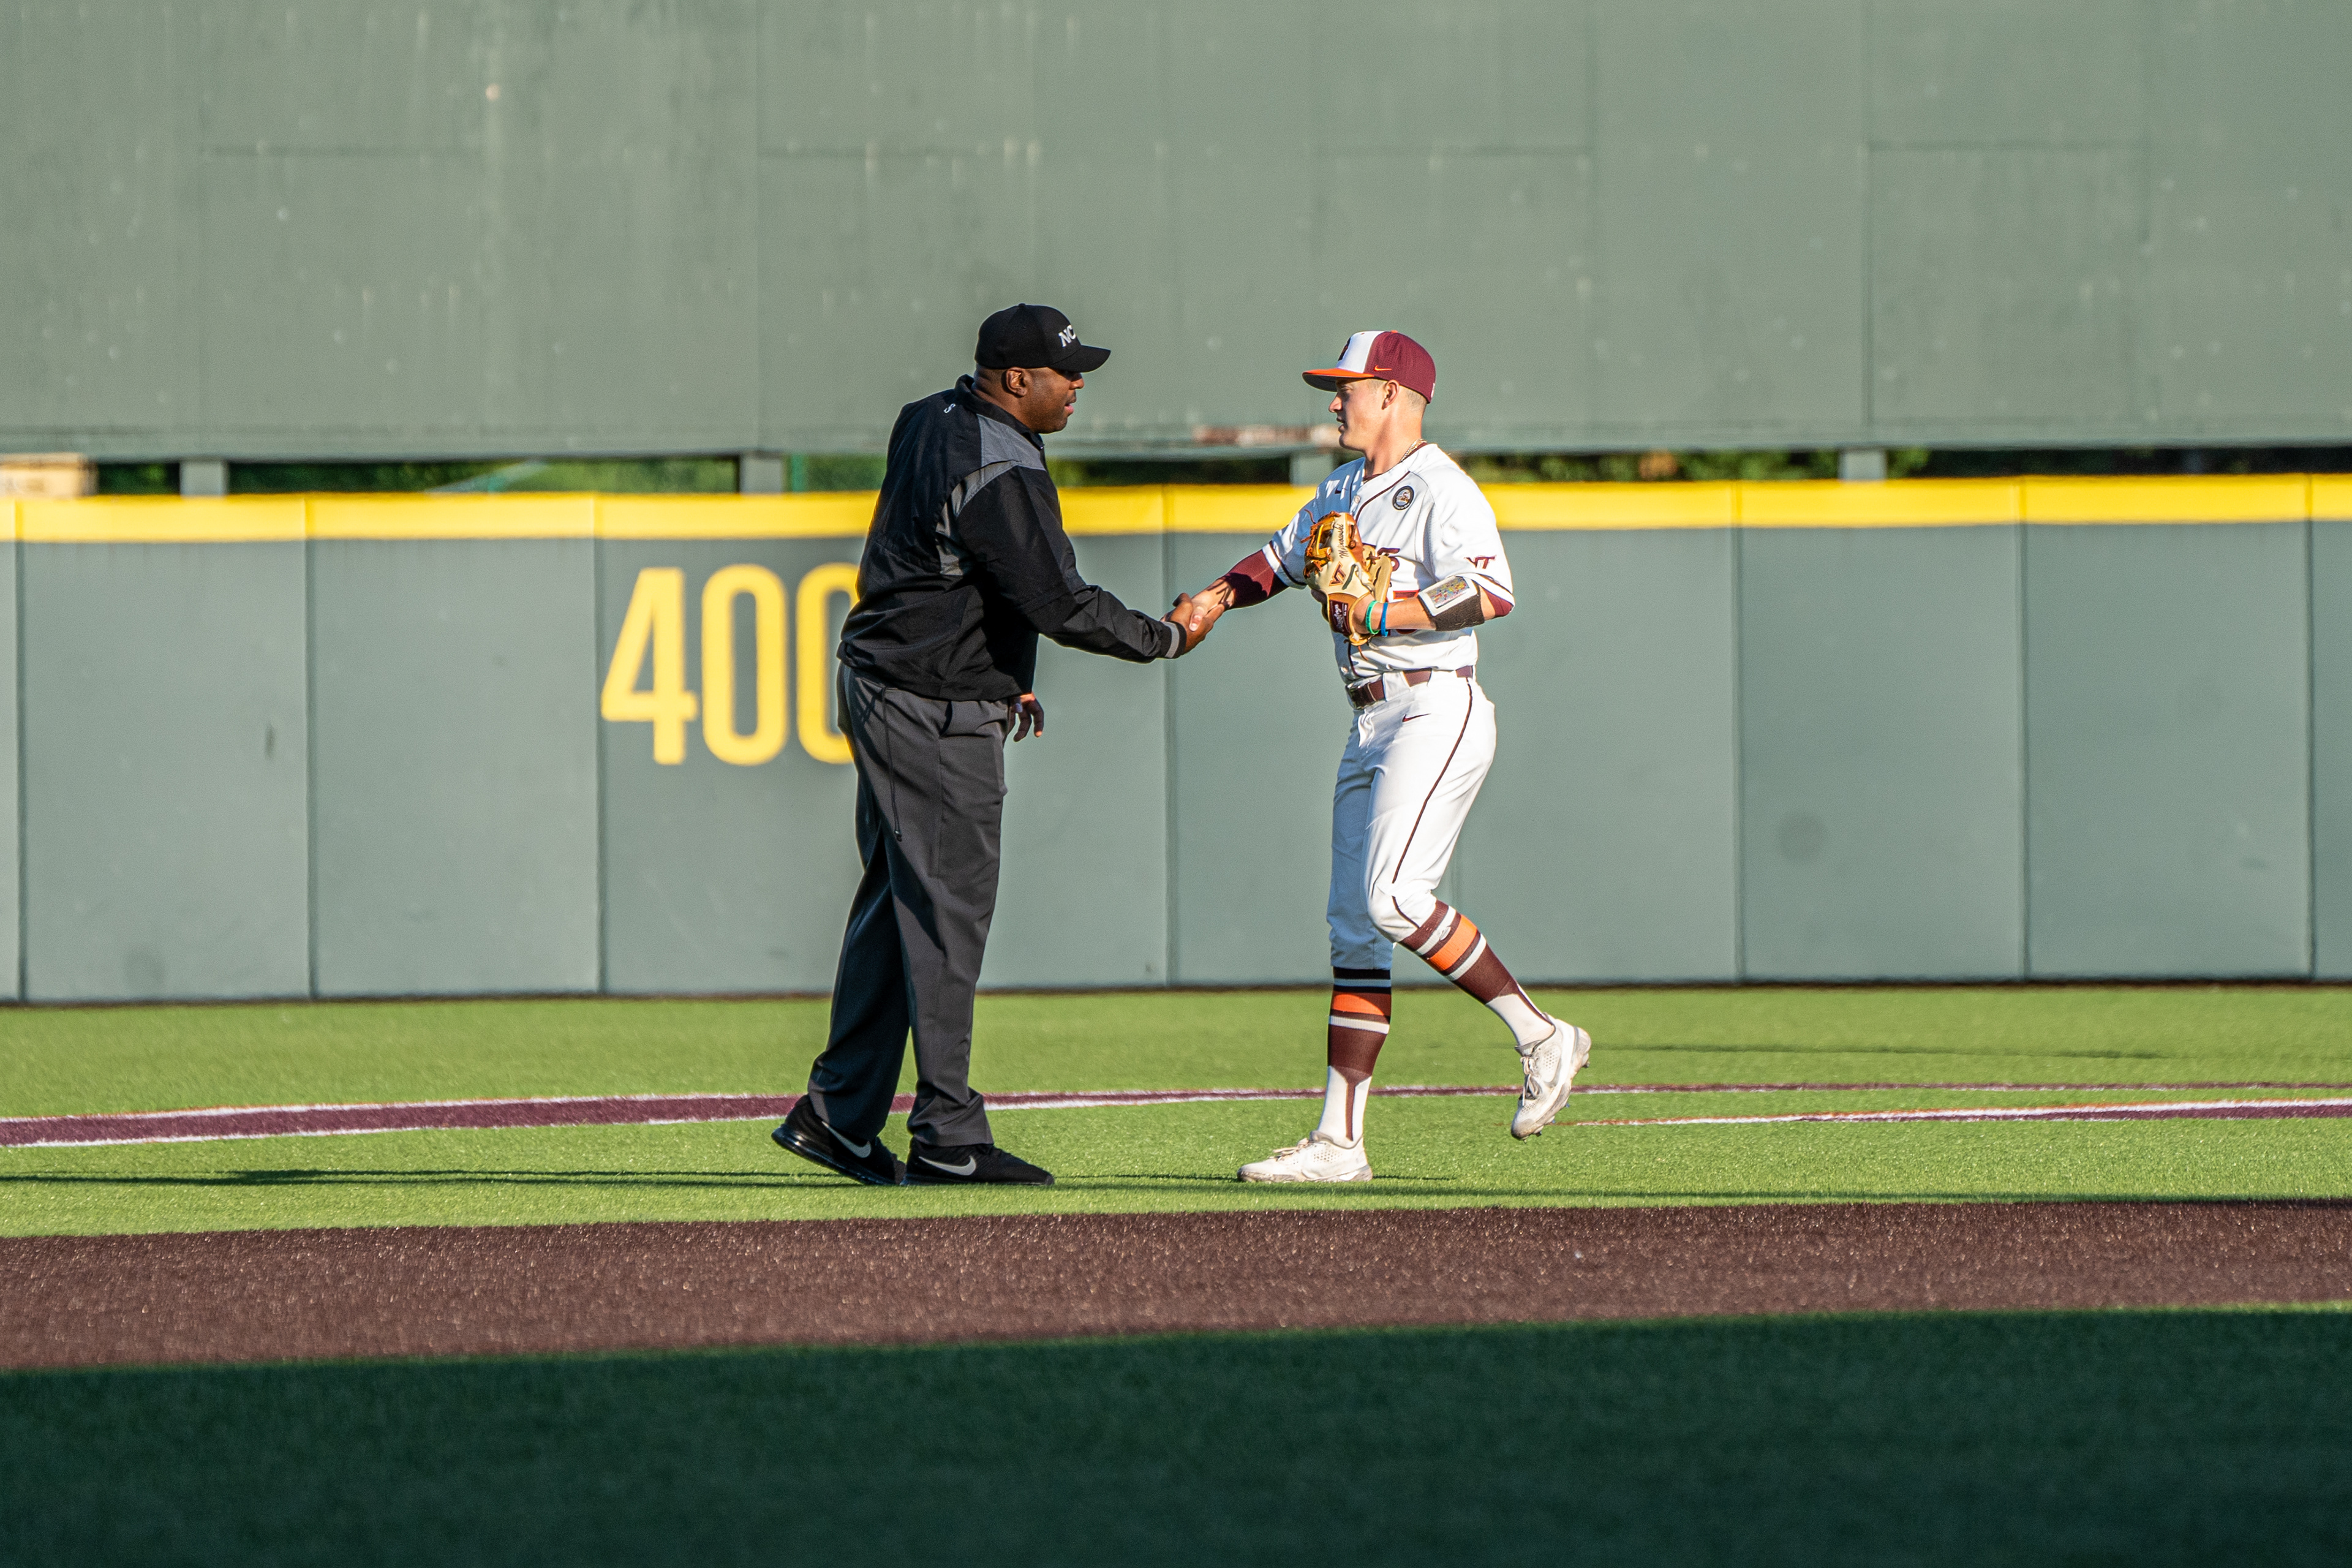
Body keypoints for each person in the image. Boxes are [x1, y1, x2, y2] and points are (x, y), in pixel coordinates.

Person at [774, 304, 1219, 1188]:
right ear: (1016, 380)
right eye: (1065, 372)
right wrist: (1166, 637)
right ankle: (946, 1135)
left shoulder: (930, 417)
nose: (1078, 383)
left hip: (888, 679)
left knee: (898, 907)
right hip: (931, 706)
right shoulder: (1001, 466)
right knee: (946, 919)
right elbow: (1061, 601)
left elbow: (940, 567)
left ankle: (839, 1117)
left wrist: (1000, 669)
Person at [1176, 330, 1592, 1183]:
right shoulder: (1339, 489)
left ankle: (1543, 1035)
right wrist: (1216, 599)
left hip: (1435, 706)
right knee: (1356, 930)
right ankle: (1339, 1142)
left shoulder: (1443, 488)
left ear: (1393, 395)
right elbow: (1277, 560)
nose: (1335, 401)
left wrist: (1384, 612)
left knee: (1394, 898)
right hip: (1369, 720)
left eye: (1349, 387)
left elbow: (1490, 589)